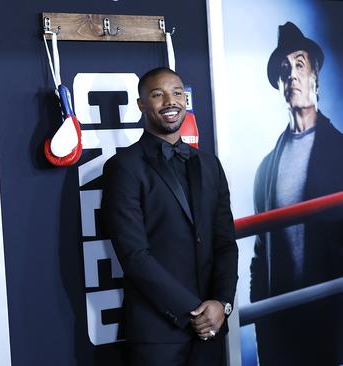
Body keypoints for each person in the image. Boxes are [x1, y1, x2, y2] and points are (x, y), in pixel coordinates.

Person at [101, 67, 238, 365]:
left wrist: (222, 304)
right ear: (141, 105)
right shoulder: (123, 167)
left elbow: (225, 242)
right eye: (157, 94)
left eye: (176, 93)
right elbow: (134, 255)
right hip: (157, 334)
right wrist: (195, 311)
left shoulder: (209, 164)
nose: (170, 101)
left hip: (211, 331)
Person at [250, 21, 343, 365]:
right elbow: (260, 260)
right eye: (283, 69)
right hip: (284, 331)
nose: (291, 75)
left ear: (315, 75)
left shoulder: (341, 151)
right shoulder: (266, 169)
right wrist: (263, 336)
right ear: (277, 84)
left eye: (299, 65)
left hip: (333, 321)